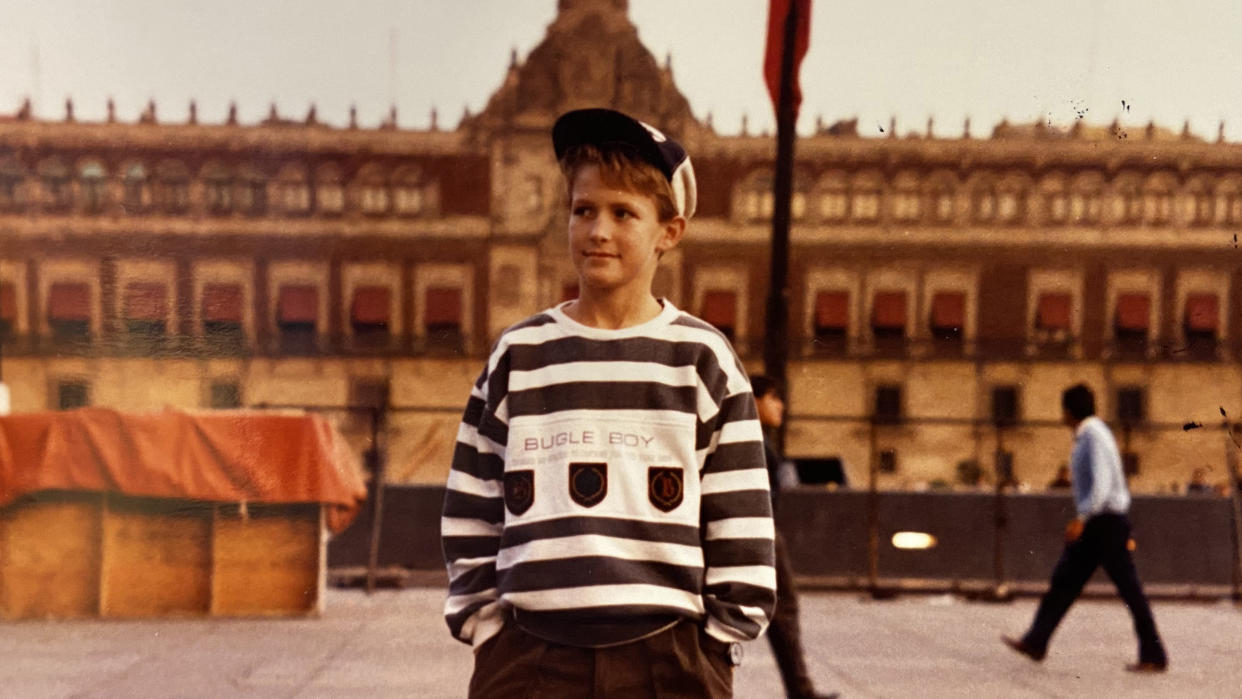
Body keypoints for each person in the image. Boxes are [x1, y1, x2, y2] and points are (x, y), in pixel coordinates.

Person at [441, 108, 776, 698]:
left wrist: (718, 645)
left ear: (668, 231)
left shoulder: (701, 358)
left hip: (666, 655)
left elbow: (740, 514)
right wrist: (487, 629)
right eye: (584, 210)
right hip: (529, 654)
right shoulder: (520, 354)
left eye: (624, 214)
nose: (598, 230)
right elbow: (474, 498)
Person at [1002, 383, 1168, 673]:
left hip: (1104, 524)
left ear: (1068, 411)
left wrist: (1082, 517)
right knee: (1065, 581)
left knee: (1127, 590)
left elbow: (1102, 484)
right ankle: (1036, 641)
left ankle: (1154, 654)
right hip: (1101, 524)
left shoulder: (1092, 436)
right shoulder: (1092, 434)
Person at [752, 374, 839, 699]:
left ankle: (801, 690)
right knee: (784, 609)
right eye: (774, 397)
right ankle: (801, 691)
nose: (781, 406)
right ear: (756, 399)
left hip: (759, 532)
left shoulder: (755, 437)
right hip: (760, 534)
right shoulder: (752, 439)